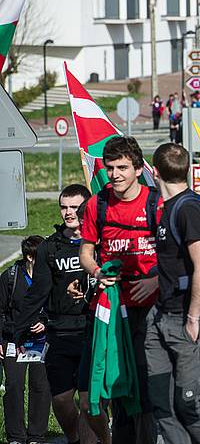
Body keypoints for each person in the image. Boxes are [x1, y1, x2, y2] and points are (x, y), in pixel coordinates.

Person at [79, 136, 160, 444]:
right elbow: (87, 251)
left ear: (138, 169)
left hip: (150, 307)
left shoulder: (156, 203)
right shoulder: (96, 204)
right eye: (110, 168)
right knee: (115, 380)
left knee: (142, 379)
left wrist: (155, 281)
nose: (115, 175)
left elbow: (175, 257)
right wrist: (98, 272)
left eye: (123, 168)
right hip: (113, 305)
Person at [145, 143, 200, 443]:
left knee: (188, 402)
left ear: (153, 171)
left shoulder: (188, 207)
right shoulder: (168, 208)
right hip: (160, 317)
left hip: (185, 320)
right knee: (161, 403)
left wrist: (192, 317)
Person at [13, 184, 95, 444]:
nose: (69, 212)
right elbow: (36, 293)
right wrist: (17, 333)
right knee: (61, 401)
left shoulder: (98, 242)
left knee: (87, 401)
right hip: (58, 332)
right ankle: (75, 439)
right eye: (64, 207)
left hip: (90, 329)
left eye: (75, 207)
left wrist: (90, 292)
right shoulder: (49, 248)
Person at [0, 236, 52, 444]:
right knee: (14, 385)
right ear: (30, 257)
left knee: (41, 386)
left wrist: (45, 323)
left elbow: (57, 305)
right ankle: (15, 436)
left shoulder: (50, 277)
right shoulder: (10, 277)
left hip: (41, 341)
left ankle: (37, 436)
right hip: (13, 339)